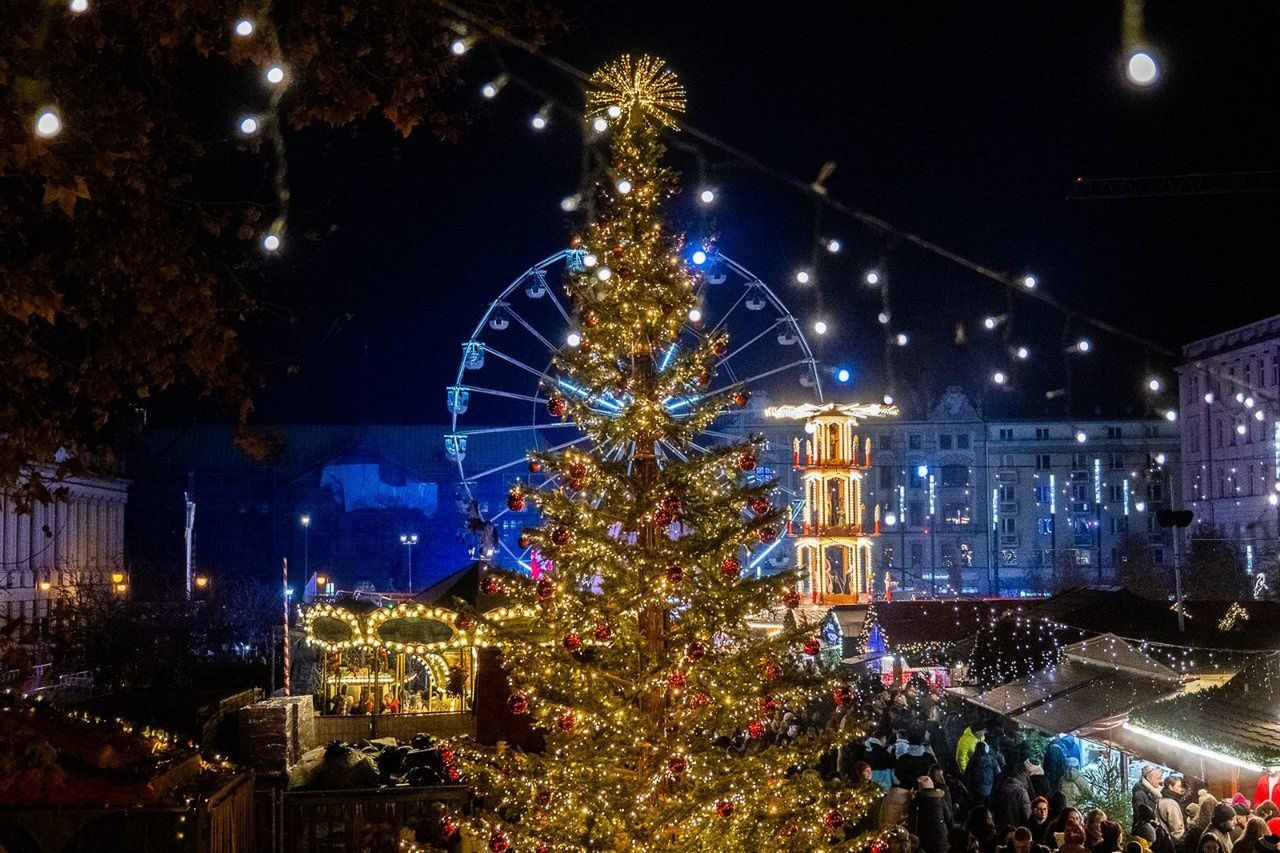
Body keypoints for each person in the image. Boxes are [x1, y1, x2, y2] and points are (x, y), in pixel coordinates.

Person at [911, 776, 954, 853]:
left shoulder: (917, 801)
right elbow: (948, 816)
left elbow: (913, 820)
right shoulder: (939, 799)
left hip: (925, 839)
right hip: (941, 836)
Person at [970, 741, 1002, 806]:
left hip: (976, 790)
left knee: (978, 807)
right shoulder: (992, 760)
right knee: (988, 807)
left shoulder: (972, 760)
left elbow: (968, 775)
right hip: (989, 790)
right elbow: (999, 774)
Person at [1157, 776, 1188, 844]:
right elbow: (1177, 830)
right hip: (1172, 843)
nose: (1180, 789)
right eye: (1178, 786)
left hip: (1163, 840)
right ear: (1170, 787)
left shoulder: (1161, 800)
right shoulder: (1172, 804)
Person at [1134, 767, 1165, 832]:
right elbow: (1139, 816)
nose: (1159, 781)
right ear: (1149, 778)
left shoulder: (1155, 792)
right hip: (1145, 832)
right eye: (1157, 779)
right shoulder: (1140, 793)